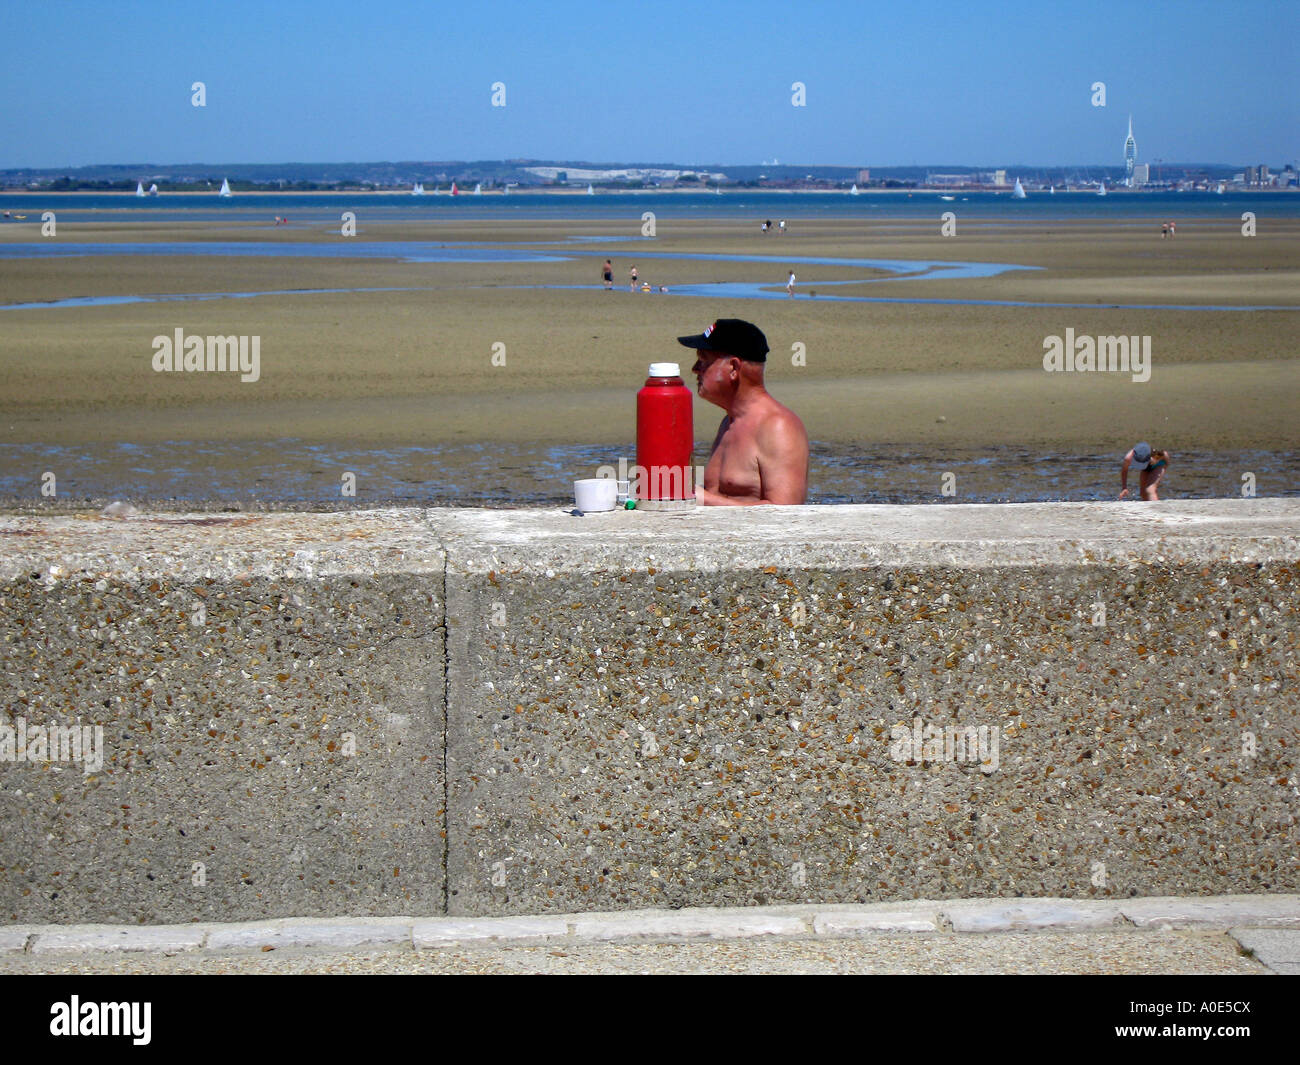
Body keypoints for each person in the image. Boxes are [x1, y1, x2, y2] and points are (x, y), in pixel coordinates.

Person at [677, 318, 809, 505]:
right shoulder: (729, 422)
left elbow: (787, 514)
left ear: (733, 368)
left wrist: (703, 499)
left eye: (704, 360)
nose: (695, 369)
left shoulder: (778, 427)